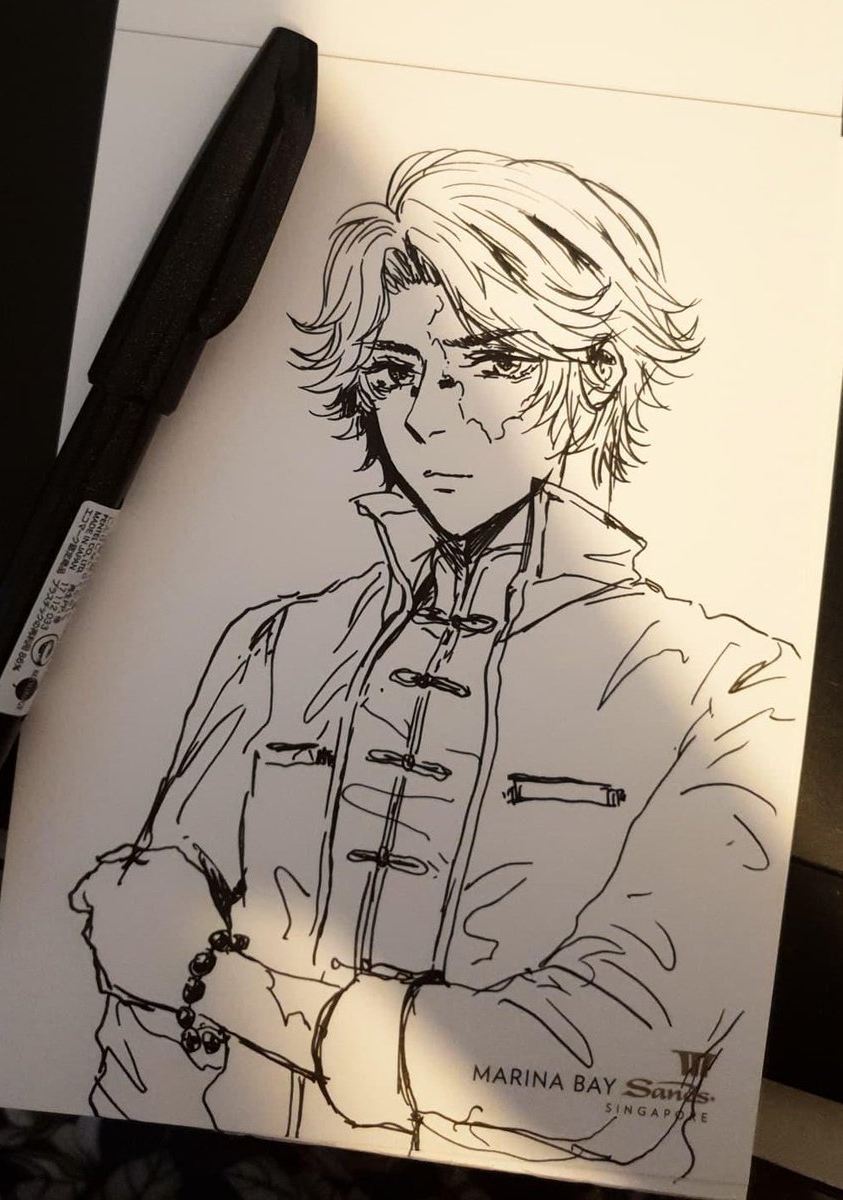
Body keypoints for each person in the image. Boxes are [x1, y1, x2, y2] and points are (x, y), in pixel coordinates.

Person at [71, 150, 799, 1177]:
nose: (425, 414)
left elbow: (623, 1068)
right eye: (393, 371)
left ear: (594, 377)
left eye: (489, 361)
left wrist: (216, 980)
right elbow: (132, 968)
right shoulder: (282, 642)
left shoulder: (728, 686)